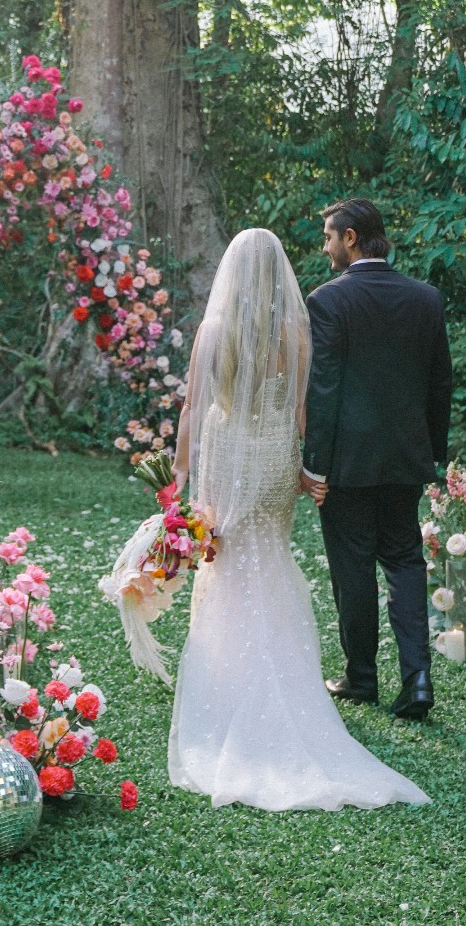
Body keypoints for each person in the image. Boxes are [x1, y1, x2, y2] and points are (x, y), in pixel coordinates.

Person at [166, 227, 428, 811]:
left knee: (225, 556)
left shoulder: (212, 332)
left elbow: (192, 406)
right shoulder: (295, 333)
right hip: (274, 458)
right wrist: (311, 468)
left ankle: (229, 675)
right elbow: (306, 408)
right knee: (270, 554)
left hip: (228, 451)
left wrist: (179, 476)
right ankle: (284, 671)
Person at [303, 198, 452, 722]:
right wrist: (432, 454)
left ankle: (361, 678)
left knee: (353, 567)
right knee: (405, 562)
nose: (324, 247)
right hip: (406, 461)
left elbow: (322, 391)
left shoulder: (328, 301)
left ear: (350, 238)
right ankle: (417, 678)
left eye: (328, 236)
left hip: (348, 464)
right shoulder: (426, 298)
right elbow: (440, 386)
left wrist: (313, 465)